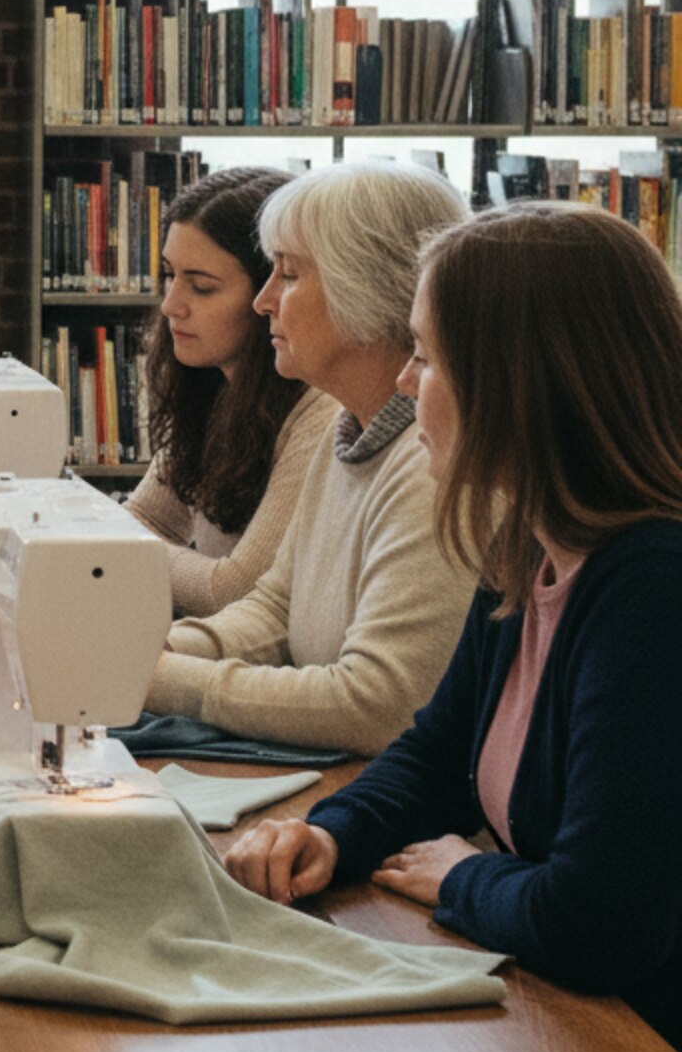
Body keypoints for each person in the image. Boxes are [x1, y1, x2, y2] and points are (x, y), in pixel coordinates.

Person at [225, 204, 682, 1050]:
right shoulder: (523, 546)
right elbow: (439, 752)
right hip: (575, 1032)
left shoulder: (651, 588)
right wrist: (332, 833)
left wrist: (465, 876)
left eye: (428, 357)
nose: (405, 381)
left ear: (517, 382)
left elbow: (601, 922)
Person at [144, 159, 473, 754]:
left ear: (364, 289)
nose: (266, 300)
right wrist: (156, 652)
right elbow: (274, 609)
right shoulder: (346, 429)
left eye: (289, 276)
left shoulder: (432, 467)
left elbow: (377, 704)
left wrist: (162, 678)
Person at [125, 166, 336, 616]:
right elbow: (145, 519)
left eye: (201, 287)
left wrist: (121, 548)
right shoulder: (215, 387)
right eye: (169, 276)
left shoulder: (321, 413)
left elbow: (235, 591)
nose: (170, 305)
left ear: (271, 291)